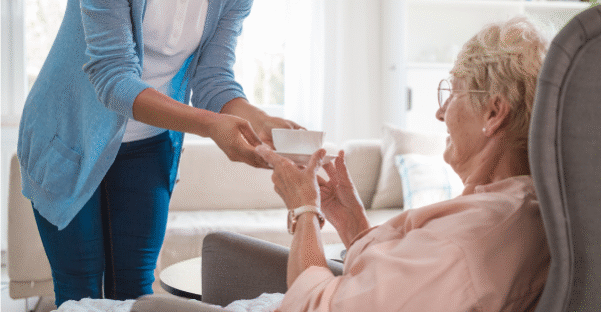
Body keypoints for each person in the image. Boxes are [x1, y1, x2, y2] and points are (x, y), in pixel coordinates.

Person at [255, 16, 551, 311]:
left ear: (494, 113)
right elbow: (393, 288)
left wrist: (304, 209)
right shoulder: (521, 208)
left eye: (455, 92)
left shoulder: (465, 242)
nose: (440, 112)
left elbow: (313, 307)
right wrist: (352, 221)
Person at [17, 0, 300, 306]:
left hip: (149, 143)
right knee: (79, 293)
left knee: (136, 291)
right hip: (69, 136)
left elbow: (213, 78)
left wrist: (260, 121)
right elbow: (113, 78)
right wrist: (211, 126)